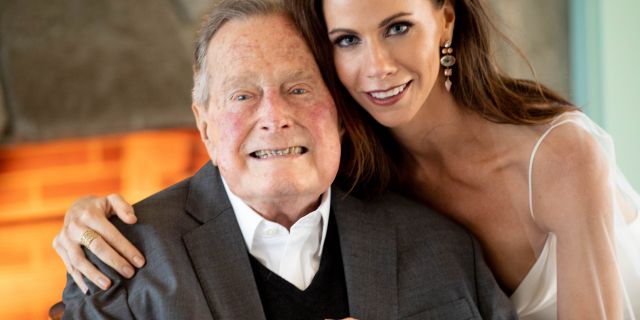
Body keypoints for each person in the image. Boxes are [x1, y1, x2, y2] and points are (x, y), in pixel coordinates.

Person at [54, 0, 640, 319]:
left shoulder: (547, 166)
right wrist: (79, 216)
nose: (377, 68)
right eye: (348, 41)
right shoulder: (126, 265)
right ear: (202, 119)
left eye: (299, 87)